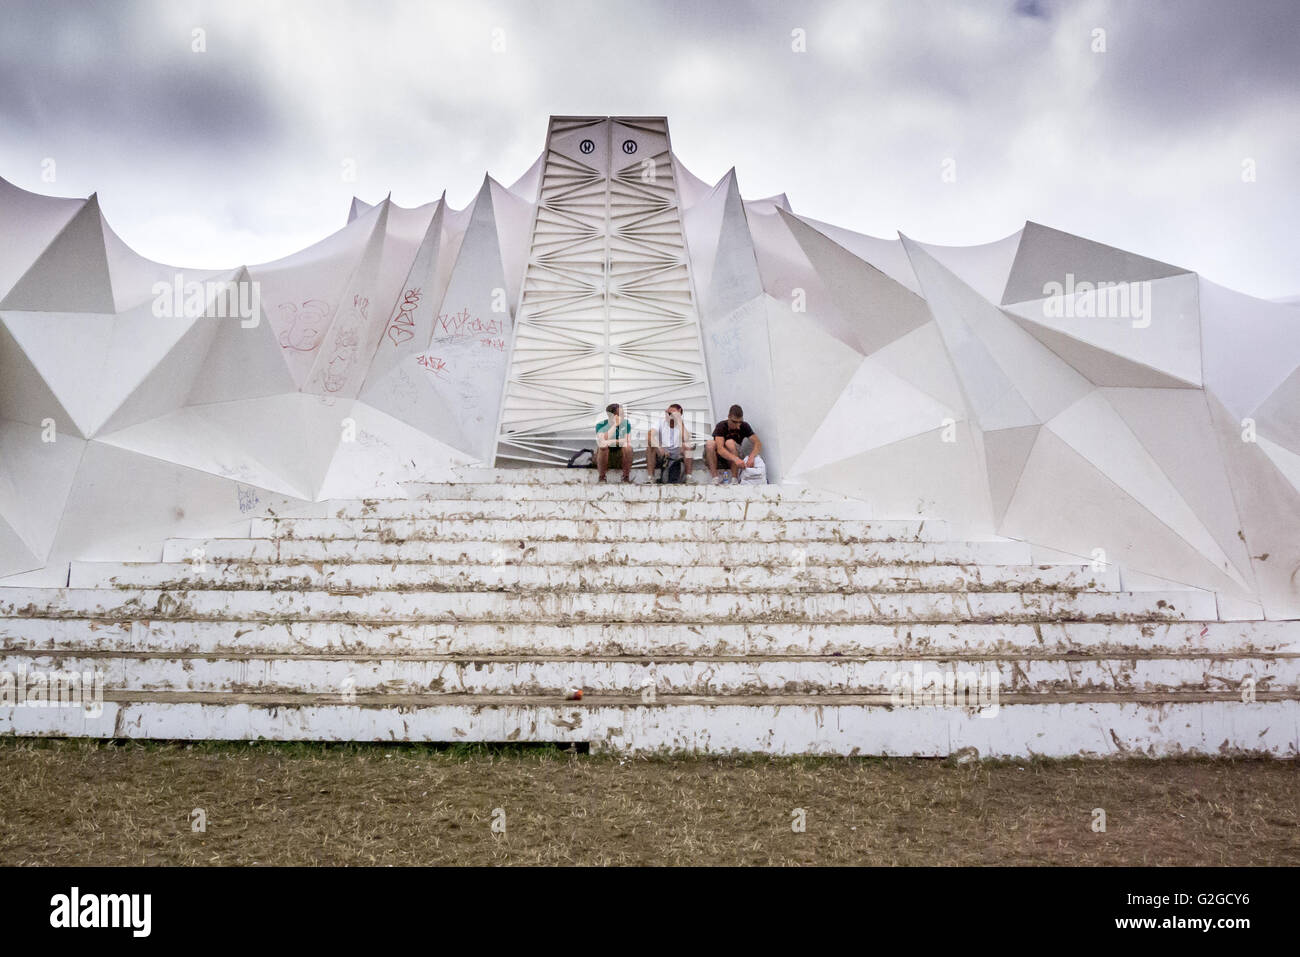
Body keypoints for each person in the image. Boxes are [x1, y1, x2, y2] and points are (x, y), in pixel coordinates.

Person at [705, 404, 763, 485]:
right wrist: (735, 459)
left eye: (740, 422)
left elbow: (758, 443)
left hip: (735, 456)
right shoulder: (721, 426)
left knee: (730, 443)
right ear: (728, 417)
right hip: (721, 458)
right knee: (710, 443)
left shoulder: (744, 426)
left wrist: (752, 457)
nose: (738, 425)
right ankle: (715, 478)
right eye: (735, 422)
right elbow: (720, 449)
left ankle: (734, 478)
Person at [646, 403, 693, 483]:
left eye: (670, 413)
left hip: (677, 453)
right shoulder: (660, 422)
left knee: (688, 446)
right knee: (650, 446)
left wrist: (679, 421)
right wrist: (659, 447)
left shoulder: (683, 424)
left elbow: (686, 438)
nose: (667, 415)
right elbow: (649, 436)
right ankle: (651, 478)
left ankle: (688, 477)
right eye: (667, 412)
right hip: (663, 452)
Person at [595, 402, 633, 483]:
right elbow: (602, 441)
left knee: (628, 447)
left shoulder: (626, 424)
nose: (624, 416)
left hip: (620, 456)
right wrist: (615, 425)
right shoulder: (600, 425)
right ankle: (602, 477)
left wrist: (611, 441)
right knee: (603, 446)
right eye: (621, 414)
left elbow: (627, 440)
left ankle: (626, 477)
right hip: (604, 457)